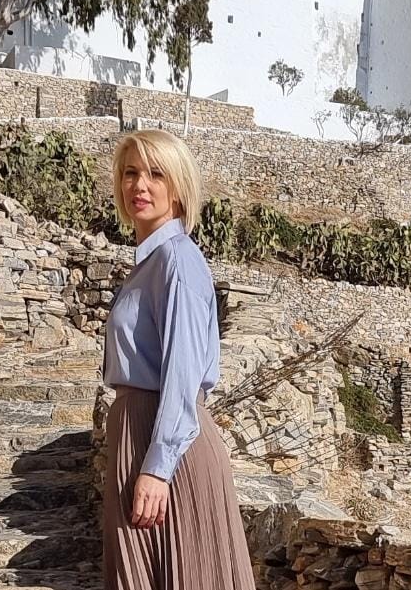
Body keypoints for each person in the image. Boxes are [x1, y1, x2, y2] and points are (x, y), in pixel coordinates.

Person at [102, 129, 254, 590]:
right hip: (138, 432)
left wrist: (157, 467)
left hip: (166, 445)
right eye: (131, 173)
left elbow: (183, 373)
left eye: (156, 174)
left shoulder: (177, 262)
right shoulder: (151, 263)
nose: (139, 185)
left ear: (179, 188)